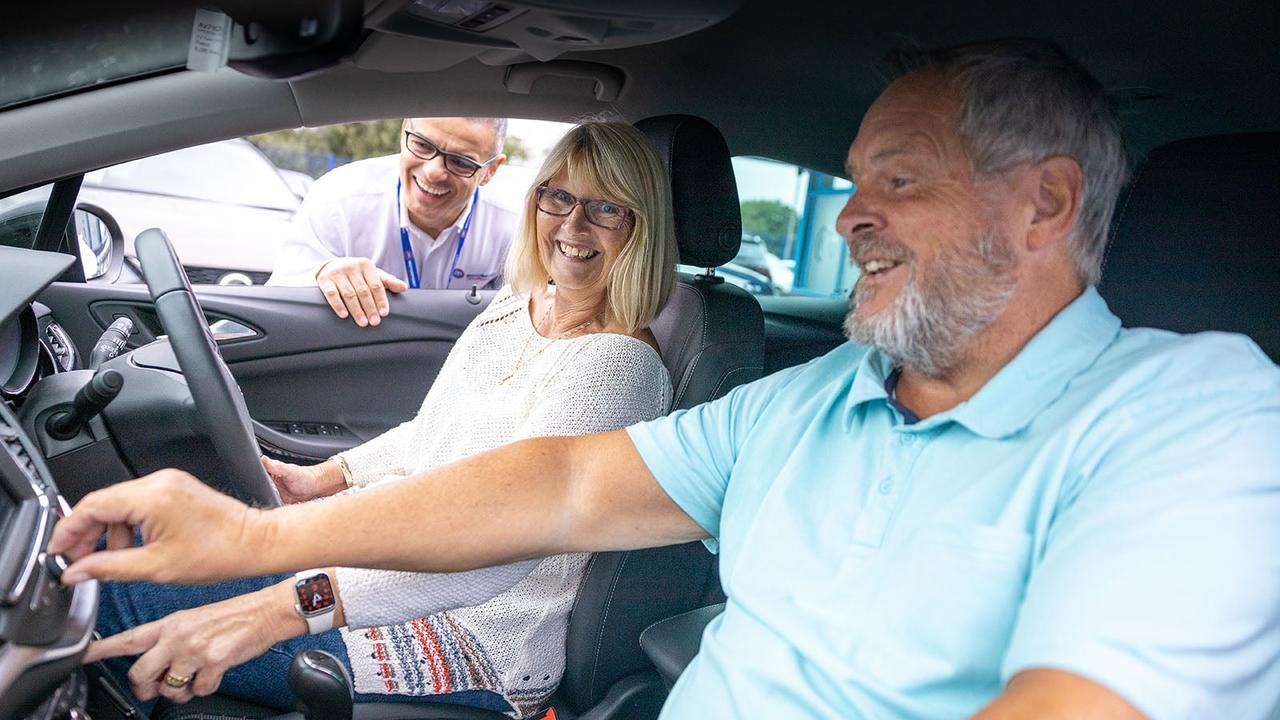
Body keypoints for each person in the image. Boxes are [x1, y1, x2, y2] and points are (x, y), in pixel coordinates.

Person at [52, 40, 1280, 720]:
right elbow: (564, 485)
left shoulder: (1198, 419)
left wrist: (287, 587)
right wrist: (246, 535)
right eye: (850, 178)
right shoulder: (820, 396)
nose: (849, 216)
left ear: (1044, 204)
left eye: (896, 180)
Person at [79, 122, 679, 717]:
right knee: (127, 558)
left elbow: (497, 544)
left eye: (606, 209)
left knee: (112, 598)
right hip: (382, 562)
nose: (573, 226)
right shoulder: (520, 304)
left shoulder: (615, 366)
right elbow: (436, 430)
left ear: (642, 227)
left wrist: (274, 608)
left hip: (469, 639)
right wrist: (327, 477)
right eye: (560, 198)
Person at [268, 117, 517, 327]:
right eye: (422, 145)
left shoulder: (515, 227)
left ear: (491, 171)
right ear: (403, 131)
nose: (433, 171)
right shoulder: (338, 201)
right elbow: (277, 298)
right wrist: (320, 276)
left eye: (461, 162)